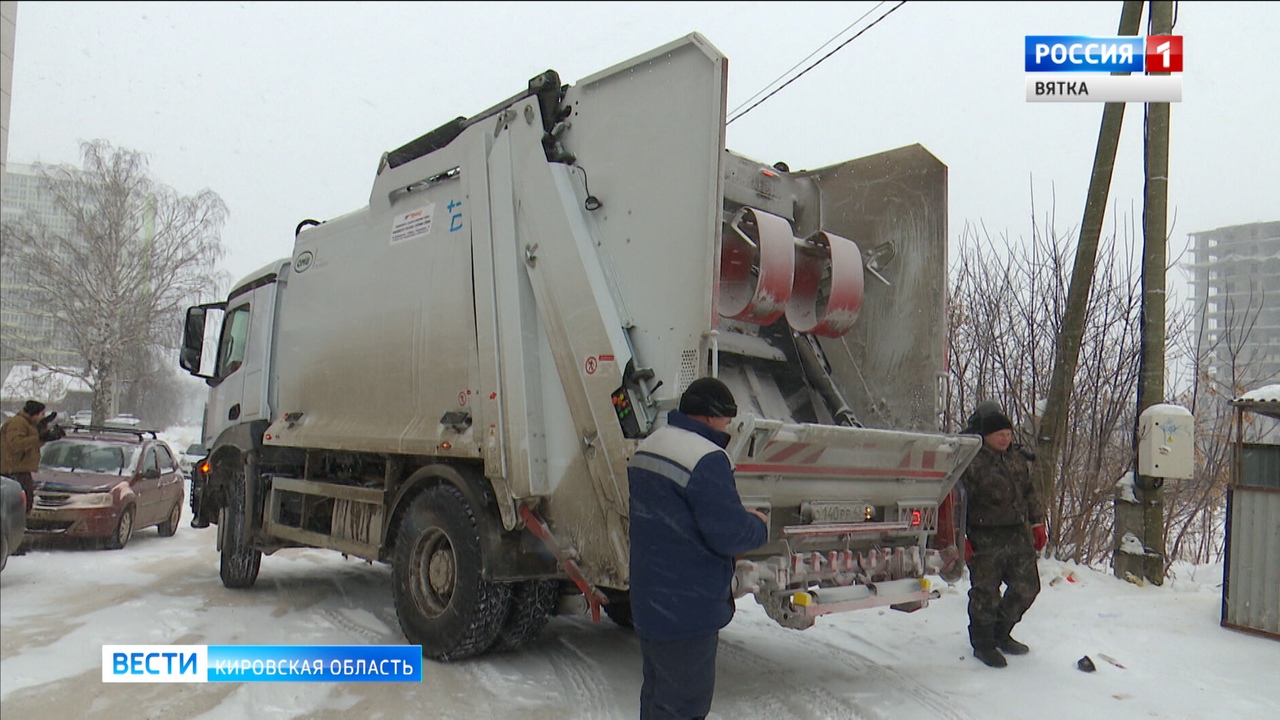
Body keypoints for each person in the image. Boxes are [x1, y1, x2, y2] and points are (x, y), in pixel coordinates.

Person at [627, 377, 769, 719]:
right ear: (708, 417)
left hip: (650, 601)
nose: (729, 427)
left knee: (658, 700)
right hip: (688, 610)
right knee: (684, 707)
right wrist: (758, 525)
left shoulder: (651, 444)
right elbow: (729, 534)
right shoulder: (706, 458)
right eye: (726, 419)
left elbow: (675, 515)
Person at [961, 405, 1047, 668]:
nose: (1005, 438)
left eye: (1008, 433)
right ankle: (983, 642)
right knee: (986, 593)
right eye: (999, 433)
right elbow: (957, 502)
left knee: (1027, 586)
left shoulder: (1017, 459)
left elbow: (1030, 492)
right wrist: (958, 538)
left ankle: (1001, 632)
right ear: (985, 435)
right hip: (983, 535)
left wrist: (1037, 524)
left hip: (1016, 534)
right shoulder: (970, 462)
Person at [1, 399, 63, 514]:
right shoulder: (18, 423)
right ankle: (14, 529)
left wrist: (46, 435)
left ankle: (18, 527)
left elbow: (31, 446)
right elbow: (17, 444)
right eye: (42, 414)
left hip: (20, 470)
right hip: (13, 471)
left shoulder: (27, 424)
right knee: (18, 507)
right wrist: (41, 437)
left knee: (24, 505)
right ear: (34, 413)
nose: (43, 417)